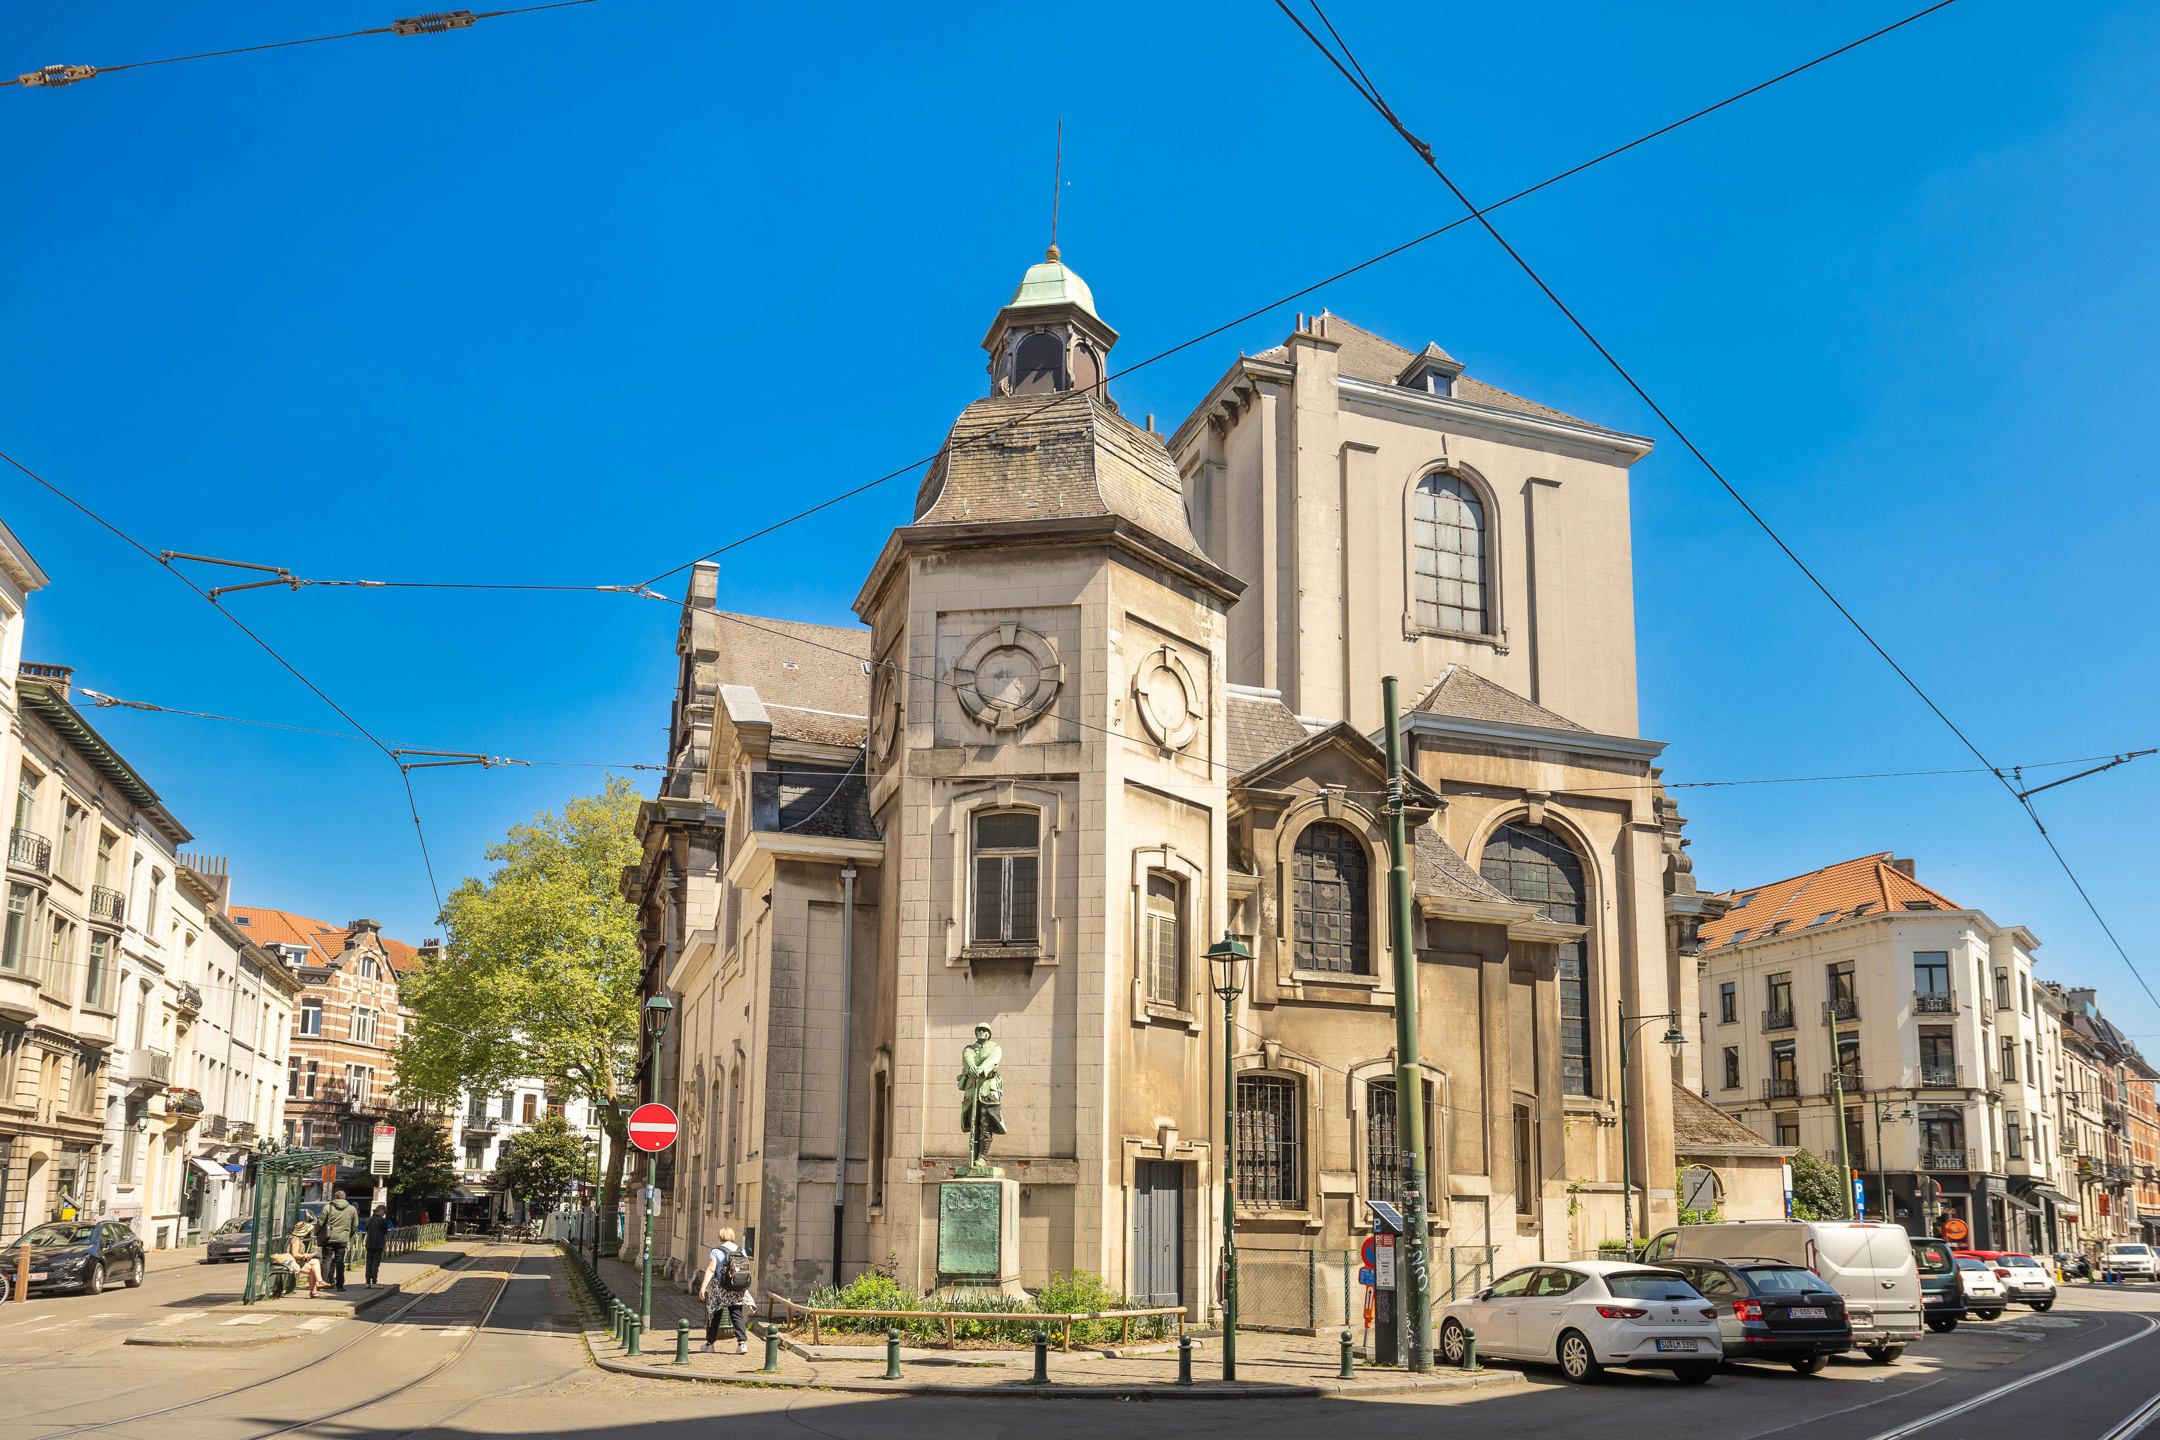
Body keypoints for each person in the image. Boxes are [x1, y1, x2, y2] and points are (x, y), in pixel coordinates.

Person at [696, 1226, 754, 1355]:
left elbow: (711, 1270)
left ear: (721, 1236)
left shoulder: (716, 1251)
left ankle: (710, 1344)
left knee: (714, 1315)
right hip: (737, 1287)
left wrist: (703, 1287)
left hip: (720, 1288)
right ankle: (742, 1343)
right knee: (736, 1314)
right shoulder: (741, 1250)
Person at [272, 1219, 326, 1299]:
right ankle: (315, 1288)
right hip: (291, 1262)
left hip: (295, 1261)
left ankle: (318, 1283)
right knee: (313, 1269)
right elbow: (295, 1255)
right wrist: (305, 1255)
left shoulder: (296, 1238)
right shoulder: (295, 1240)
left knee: (316, 1262)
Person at [320, 1189, 360, 1292]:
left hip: (329, 1238)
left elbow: (320, 1222)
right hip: (343, 1239)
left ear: (335, 1197)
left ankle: (324, 1283)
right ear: (344, 1198)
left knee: (326, 1260)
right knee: (340, 1262)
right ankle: (340, 1285)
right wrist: (348, 1235)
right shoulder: (352, 1209)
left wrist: (317, 1233)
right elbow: (355, 1226)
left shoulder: (328, 1207)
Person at [362, 1204, 392, 1287]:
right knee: (375, 1263)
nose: (384, 1214)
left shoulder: (369, 1220)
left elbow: (367, 1229)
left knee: (369, 1263)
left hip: (369, 1243)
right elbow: (385, 1232)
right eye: (384, 1212)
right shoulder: (382, 1220)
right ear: (381, 1211)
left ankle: (367, 1282)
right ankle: (374, 1282)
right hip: (378, 1244)